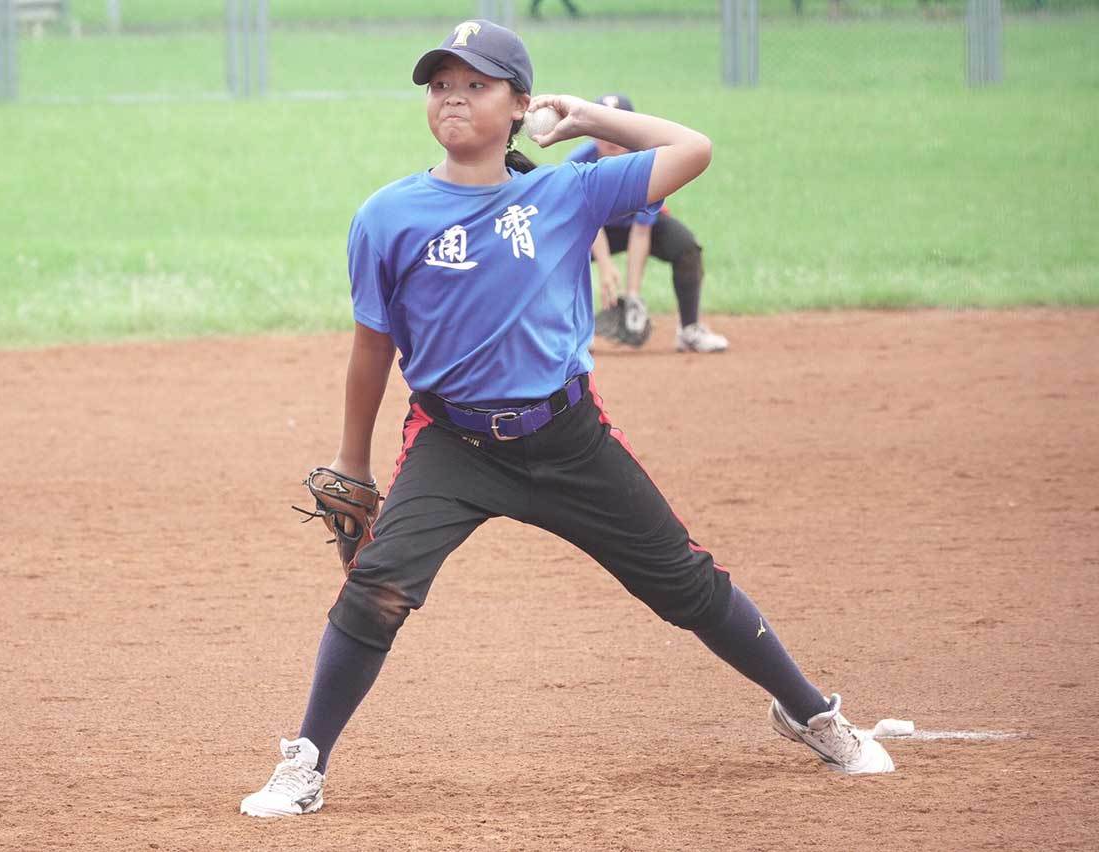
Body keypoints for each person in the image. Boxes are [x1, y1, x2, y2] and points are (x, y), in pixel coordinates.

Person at [239, 19, 894, 819]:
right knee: (376, 590)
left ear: (519, 104)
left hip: (568, 437)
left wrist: (586, 116)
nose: (453, 98)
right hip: (452, 443)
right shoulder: (387, 215)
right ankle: (306, 762)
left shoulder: (568, 192)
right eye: (441, 85)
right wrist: (354, 459)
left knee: (685, 584)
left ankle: (808, 711)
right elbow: (372, 346)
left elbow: (693, 149)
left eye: (476, 84)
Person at [566, 94, 729, 353]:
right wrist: (606, 267)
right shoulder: (577, 163)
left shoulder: (649, 162)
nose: (610, 138)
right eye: (602, 128)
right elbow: (586, 221)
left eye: (616, 128)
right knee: (559, 251)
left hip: (637, 227)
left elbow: (641, 230)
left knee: (686, 247)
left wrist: (632, 295)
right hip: (594, 229)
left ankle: (690, 330)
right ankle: (574, 334)